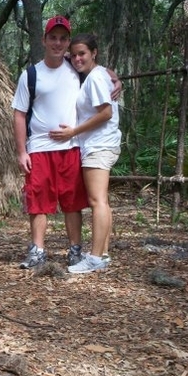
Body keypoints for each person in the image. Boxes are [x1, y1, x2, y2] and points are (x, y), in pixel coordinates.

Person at [12, 16, 120, 270]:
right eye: (53, 37)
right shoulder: (30, 75)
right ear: (44, 39)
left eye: (63, 39)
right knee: (38, 201)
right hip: (39, 147)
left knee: (73, 202)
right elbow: (19, 113)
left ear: (68, 42)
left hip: (72, 147)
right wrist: (21, 151)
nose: (57, 43)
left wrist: (117, 80)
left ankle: (75, 250)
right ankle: (37, 250)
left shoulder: (76, 69)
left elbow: (102, 72)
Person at [49, 33, 122, 273]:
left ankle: (95, 257)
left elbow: (105, 113)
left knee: (96, 200)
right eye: (75, 54)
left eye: (83, 54)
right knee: (102, 200)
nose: (77, 58)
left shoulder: (95, 79)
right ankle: (103, 252)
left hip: (99, 145)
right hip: (97, 144)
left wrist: (73, 132)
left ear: (94, 53)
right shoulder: (94, 75)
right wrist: (114, 75)